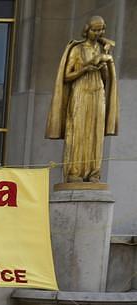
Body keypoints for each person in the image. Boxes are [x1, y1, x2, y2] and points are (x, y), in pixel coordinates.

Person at [45, 15, 119, 184]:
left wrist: (105, 62)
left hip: (97, 92)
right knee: (78, 132)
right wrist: (85, 68)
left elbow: (107, 79)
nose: (99, 33)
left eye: (101, 30)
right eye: (95, 30)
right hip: (80, 92)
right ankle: (74, 171)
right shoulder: (77, 49)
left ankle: (94, 172)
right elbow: (66, 75)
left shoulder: (102, 49)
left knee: (95, 132)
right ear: (87, 30)